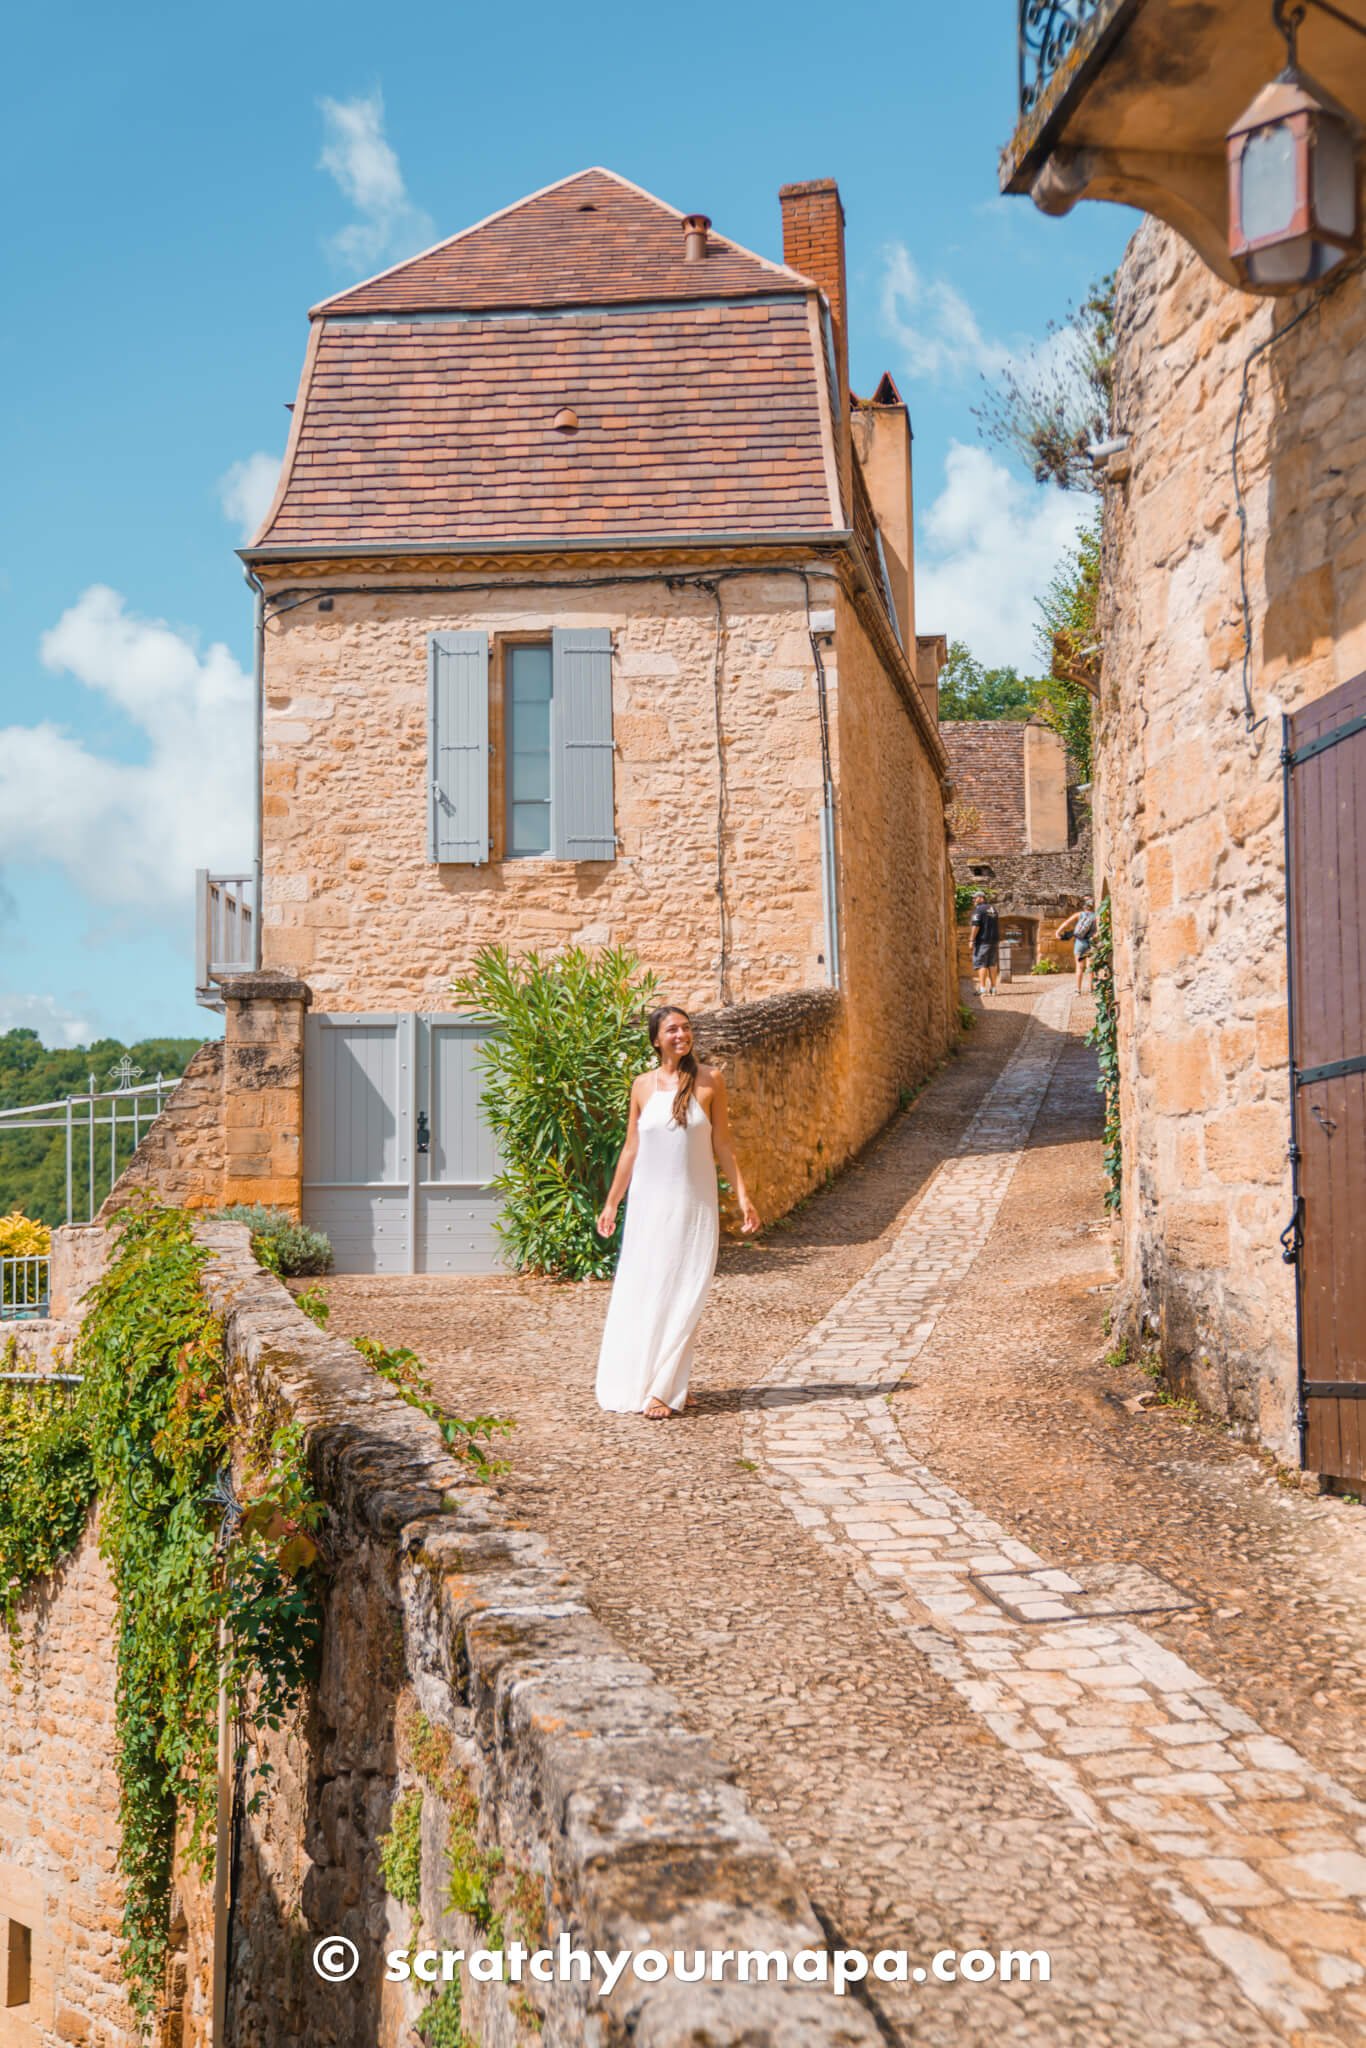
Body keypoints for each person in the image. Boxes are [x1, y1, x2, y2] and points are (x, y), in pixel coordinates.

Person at [594, 1005, 760, 1419]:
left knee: (686, 1292)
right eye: (672, 1029)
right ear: (656, 1040)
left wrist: (743, 1196)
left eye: (686, 1028)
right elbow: (632, 1148)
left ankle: (667, 1388)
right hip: (649, 1209)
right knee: (649, 1290)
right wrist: (613, 1201)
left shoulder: (710, 1081)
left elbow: (723, 1144)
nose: (681, 1035)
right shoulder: (642, 1086)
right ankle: (659, 1379)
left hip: (693, 1207)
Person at [1057, 901, 1099, 992]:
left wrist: (1058, 932)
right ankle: (1091, 989)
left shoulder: (1079, 914)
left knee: (1079, 967)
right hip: (1091, 943)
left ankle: (1078, 990)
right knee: (1090, 966)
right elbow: (1098, 931)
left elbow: (1067, 922)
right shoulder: (1096, 917)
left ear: (1084, 907)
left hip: (1080, 942)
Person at [969, 893, 1000, 997]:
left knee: (981, 964)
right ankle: (994, 989)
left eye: (975, 897)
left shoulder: (979, 910)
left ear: (981, 898)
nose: (973, 899)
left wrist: (971, 940)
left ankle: (982, 989)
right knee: (992, 964)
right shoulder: (993, 909)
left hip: (982, 941)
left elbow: (976, 926)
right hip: (994, 941)